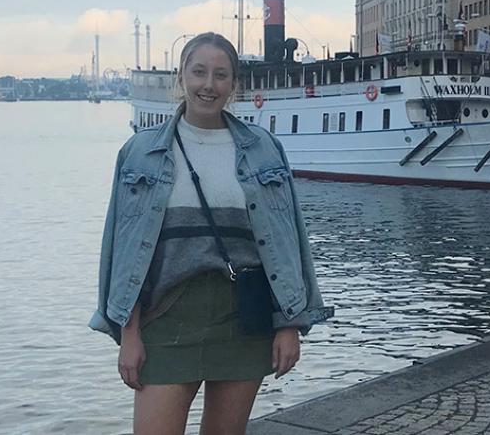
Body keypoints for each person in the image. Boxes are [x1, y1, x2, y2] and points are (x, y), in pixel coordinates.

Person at [89, 32, 333, 435]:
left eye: (221, 75)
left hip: (244, 319)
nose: (209, 84)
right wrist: (128, 333)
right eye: (199, 72)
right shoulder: (139, 152)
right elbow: (123, 250)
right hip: (165, 319)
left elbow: (289, 242)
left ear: (233, 84)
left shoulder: (264, 149)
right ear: (181, 76)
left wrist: (289, 324)